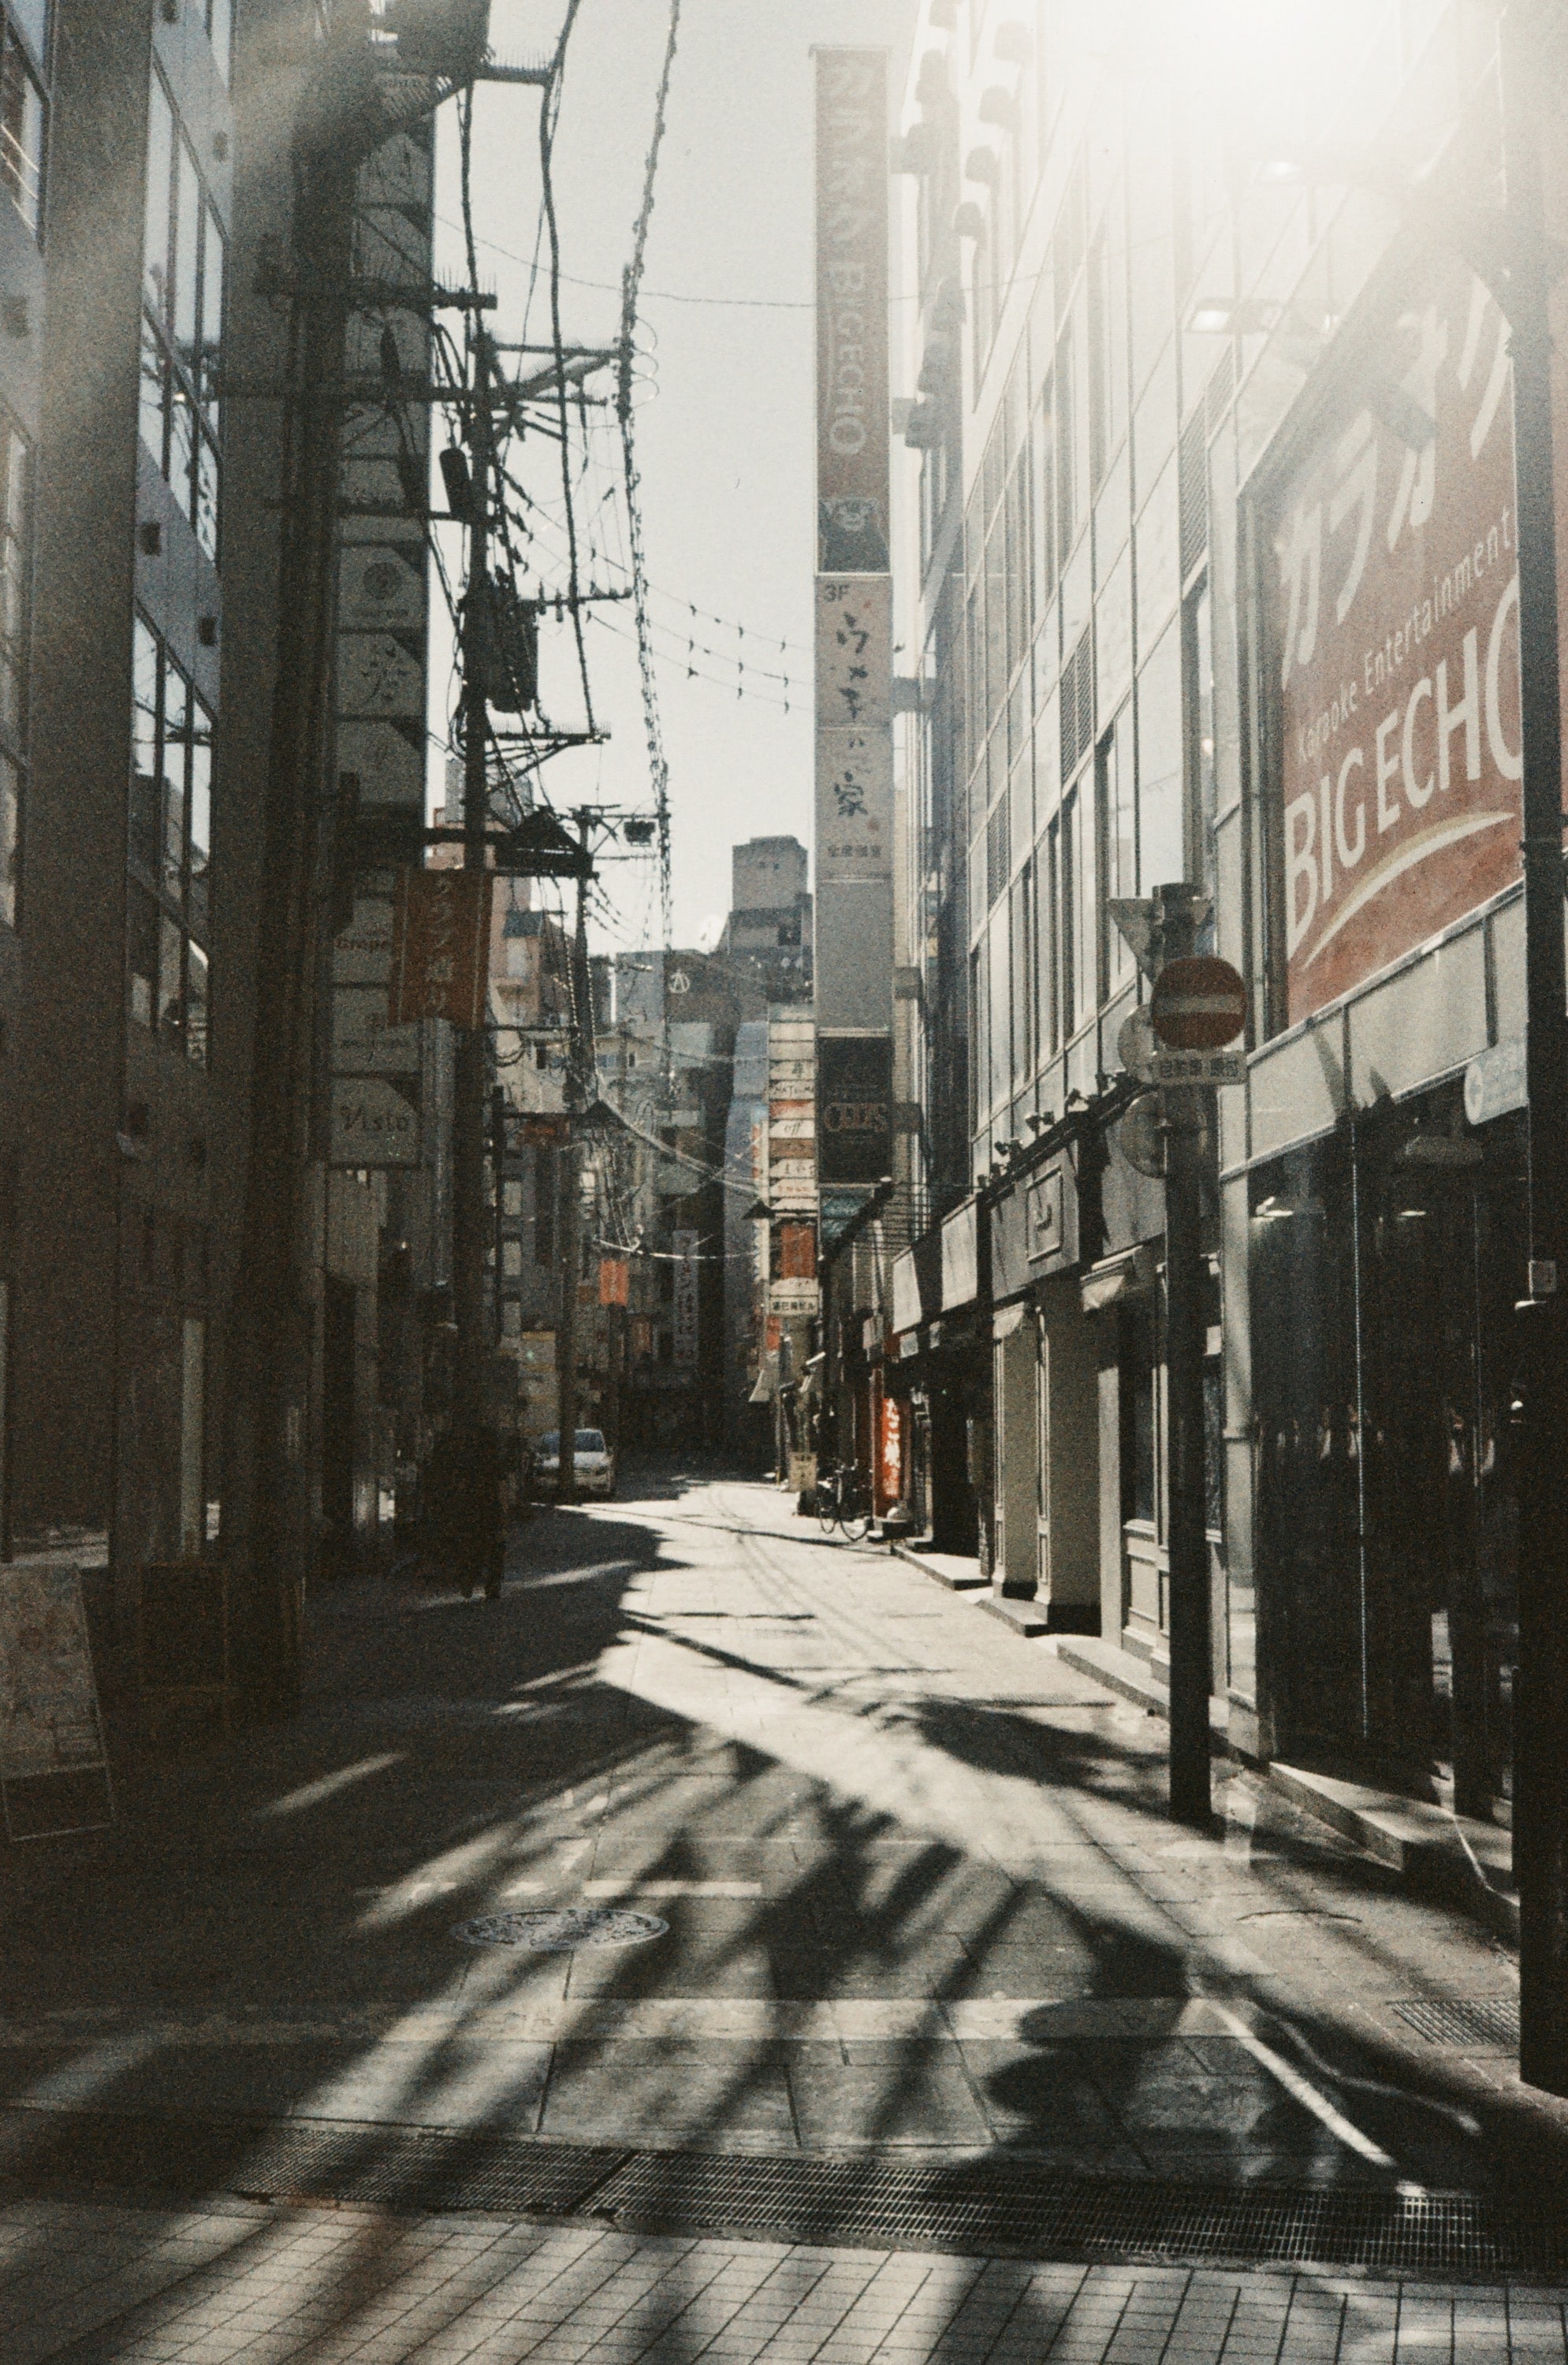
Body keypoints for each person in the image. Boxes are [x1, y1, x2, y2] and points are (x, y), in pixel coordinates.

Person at [422, 1414, 506, 1600]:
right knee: (492, 1544)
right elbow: (501, 1481)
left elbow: (442, 1477)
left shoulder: (453, 1448)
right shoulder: (489, 1453)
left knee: (470, 1542)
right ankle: (489, 1583)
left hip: (467, 1503)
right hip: (487, 1503)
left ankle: (469, 1576)